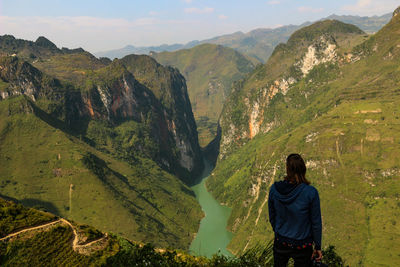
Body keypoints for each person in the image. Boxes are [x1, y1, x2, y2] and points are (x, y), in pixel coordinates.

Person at [268, 153, 322, 267]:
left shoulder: (274, 189)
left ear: (287, 169)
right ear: (303, 169)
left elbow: (272, 216)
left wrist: (278, 231)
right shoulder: (311, 192)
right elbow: (316, 223)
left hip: (281, 241)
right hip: (302, 244)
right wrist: (318, 246)